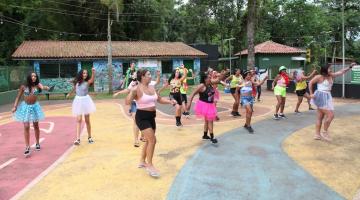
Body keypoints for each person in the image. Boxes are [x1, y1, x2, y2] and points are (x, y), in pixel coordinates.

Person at [126, 69, 177, 177]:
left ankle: (142, 161)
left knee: (148, 141)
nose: (151, 76)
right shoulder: (137, 89)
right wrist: (132, 92)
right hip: (142, 117)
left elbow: (159, 100)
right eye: (149, 75)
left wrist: (170, 101)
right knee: (152, 140)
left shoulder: (152, 87)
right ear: (142, 77)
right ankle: (150, 165)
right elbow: (127, 102)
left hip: (151, 117)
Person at [309, 63, 356, 141]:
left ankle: (317, 135)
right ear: (325, 69)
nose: (330, 69)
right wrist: (311, 93)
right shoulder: (319, 77)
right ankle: (324, 131)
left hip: (327, 96)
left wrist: (350, 67)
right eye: (329, 68)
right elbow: (310, 83)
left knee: (320, 117)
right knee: (331, 115)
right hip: (320, 96)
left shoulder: (331, 75)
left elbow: (341, 72)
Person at [113, 71, 160, 147]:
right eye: (133, 75)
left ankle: (143, 136)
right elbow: (128, 91)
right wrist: (119, 93)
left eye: (135, 74)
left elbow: (156, 82)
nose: (134, 76)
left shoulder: (148, 83)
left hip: (144, 106)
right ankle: (136, 139)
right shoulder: (133, 83)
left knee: (144, 123)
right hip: (135, 104)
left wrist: (158, 75)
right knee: (136, 121)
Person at [12, 72, 50, 157]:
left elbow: (43, 87)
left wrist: (46, 88)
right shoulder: (23, 87)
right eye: (32, 76)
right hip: (25, 107)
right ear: (29, 77)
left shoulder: (37, 85)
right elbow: (18, 97)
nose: (34, 77)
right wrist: (15, 106)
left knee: (36, 125)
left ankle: (37, 143)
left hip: (35, 107)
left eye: (35, 76)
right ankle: (27, 147)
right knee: (26, 126)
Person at [187, 71, 226, 144]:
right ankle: (212, 137)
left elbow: (219, 79)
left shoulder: (210, 83)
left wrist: (223, 73)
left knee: (207, 121)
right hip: (204, 105)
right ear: (205, 79)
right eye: (208, 77)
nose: (210, 78)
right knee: (210, 121)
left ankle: (205, 135)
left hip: (210, 105)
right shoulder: (202, 86)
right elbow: (192, 94)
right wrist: (189, 104)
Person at [66, 68, 96, 145]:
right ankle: (78, 139)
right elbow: (74, 88)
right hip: (78, 100)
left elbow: (92, 80)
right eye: (83, 73)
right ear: (81, 74)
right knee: (79, 119)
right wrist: (70, 93)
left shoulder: (87, 82)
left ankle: (89, 137)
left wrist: (93, 72)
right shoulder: (77, 82)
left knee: (87, 120)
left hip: (86, 101)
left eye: (86, 73)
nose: (85, 75)